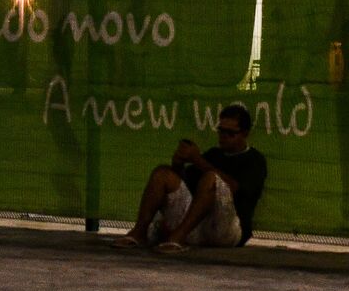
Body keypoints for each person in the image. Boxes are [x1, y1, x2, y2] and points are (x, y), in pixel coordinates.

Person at [112, 104, 268, 253]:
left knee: (211, 178)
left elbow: (235, 189)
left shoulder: (255, 160)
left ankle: (178, 237)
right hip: (200, 227)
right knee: (162, 174)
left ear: (245, 133)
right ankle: (139, 232)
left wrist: (198, 160)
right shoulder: (214, 154)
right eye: (221, 131)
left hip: (228, 230)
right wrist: (178, 164)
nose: (224, 136)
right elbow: (185, 184)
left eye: (231, 133)